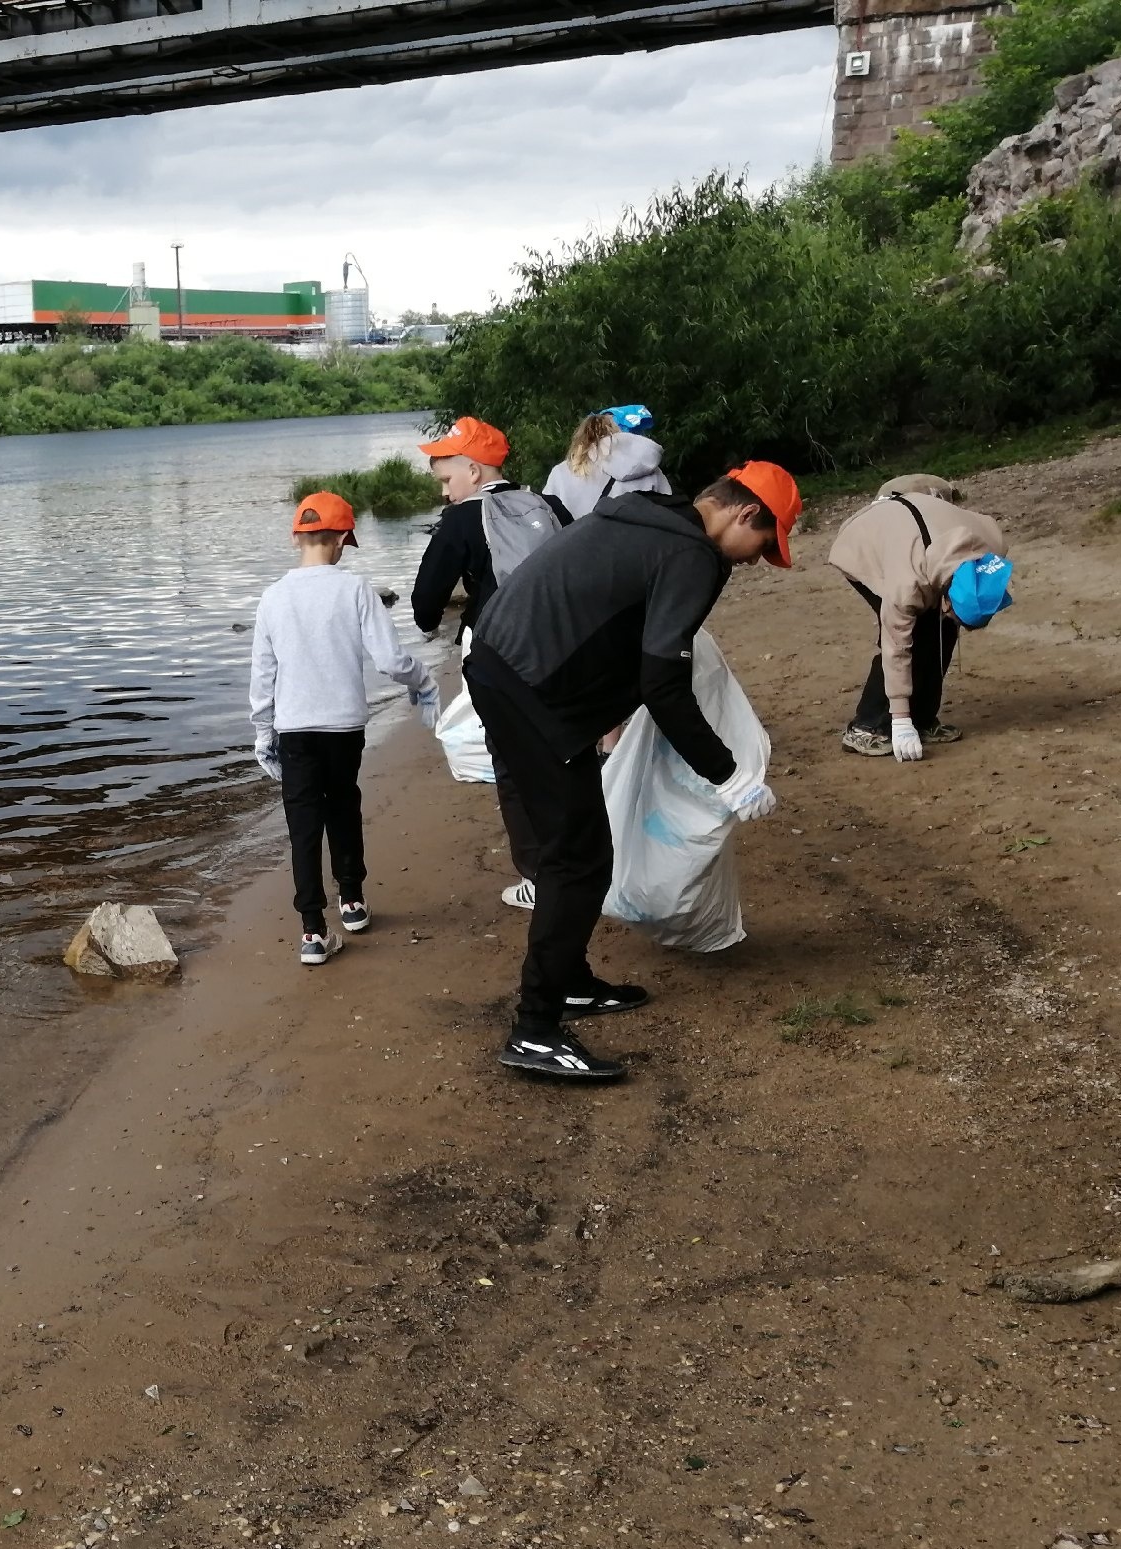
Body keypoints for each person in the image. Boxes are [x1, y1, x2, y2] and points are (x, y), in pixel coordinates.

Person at [463, 463, 800, 1081]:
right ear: (745, 514)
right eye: (764, 546)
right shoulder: (693, 556)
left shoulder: (644, 514)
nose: (757, 561)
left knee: (580, 845)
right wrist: (728, 776)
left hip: (500, 661)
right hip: (530, 689)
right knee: (579, 861)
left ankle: (569, 983)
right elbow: (663, 684)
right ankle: (536, 1028)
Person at [251, 491, 437, 966]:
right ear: (340, 541)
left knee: (303, 825)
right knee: (344, 805)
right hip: (344, 726)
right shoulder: (355, 590)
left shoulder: (273, 597)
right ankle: (352, 902)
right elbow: (392, 660)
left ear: (297, 537)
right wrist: (423, 679)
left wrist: (262, 731)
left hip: (294, 728)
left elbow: (263, 675)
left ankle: (313, 931)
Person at [407, 415, 568, 913]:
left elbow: (425, 598)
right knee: (564, 750)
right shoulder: (551, 505)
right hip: (563, 646)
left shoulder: (460, 520)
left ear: (473, 471)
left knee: (512, 762)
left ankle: (539, 878)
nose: (444, 492)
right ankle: (581, 857)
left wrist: (431, 623)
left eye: (446, 478)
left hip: (500, 655)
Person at [827, 476, 1013, 760]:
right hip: (865, 545)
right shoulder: (907, 586)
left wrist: (952, 616)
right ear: (947, 596)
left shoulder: (991, 547)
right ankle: (867, 726)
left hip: (918, 531)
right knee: (915, 634)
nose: (952, 616)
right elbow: (896, 647)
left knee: (943, 628)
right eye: (953, 610)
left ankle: (924, 718)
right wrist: (901, 720)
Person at [542, 405, 674, 522]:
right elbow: (671, 515)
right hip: (642, 547)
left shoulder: (561, 473)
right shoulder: (648, 468)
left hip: (581, 547)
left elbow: (549, 520)